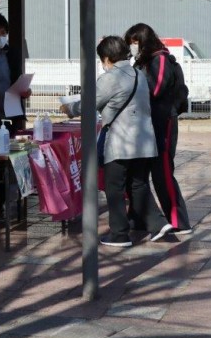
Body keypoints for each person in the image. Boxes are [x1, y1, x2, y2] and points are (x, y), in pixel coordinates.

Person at [62, 36, 173, 247]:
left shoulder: (111, 77)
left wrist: (70, 109)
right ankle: (158, 224)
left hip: (121, 141)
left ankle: (119, 234)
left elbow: (90, 102)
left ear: (106, 58)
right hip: (144, 140)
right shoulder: (138, 74)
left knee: (115, 187)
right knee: (138, 183)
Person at [124, 23, 193, 234]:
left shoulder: (160, 59)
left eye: (134, 42)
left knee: (162, 172)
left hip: (162, 123)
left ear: (143, 41)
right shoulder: (142, 62)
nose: (132, 47)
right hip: (145, 125)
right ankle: (138, 218)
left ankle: (178, 221)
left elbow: (155, 88)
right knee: (139, 174)